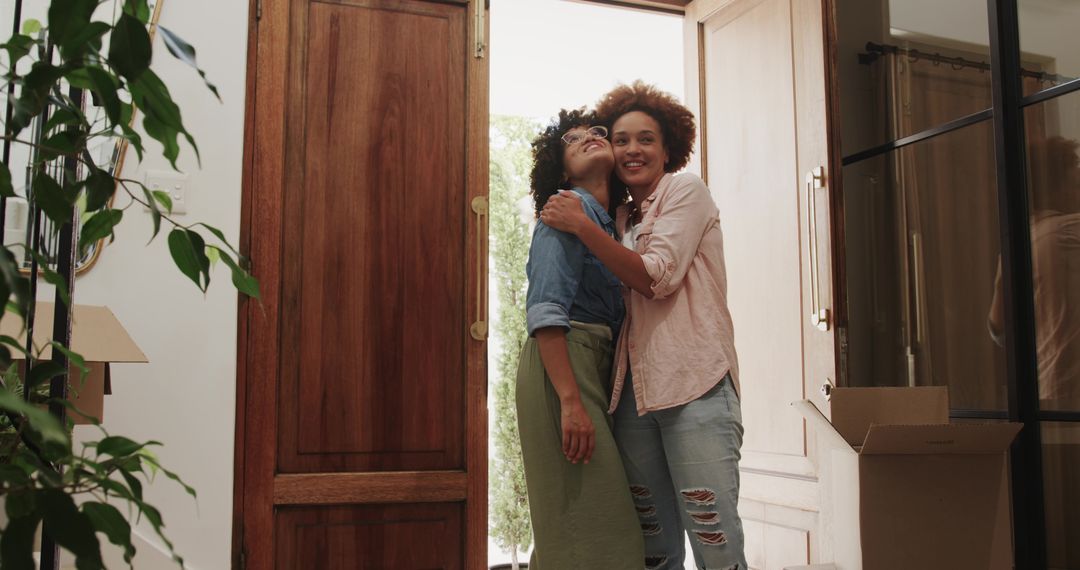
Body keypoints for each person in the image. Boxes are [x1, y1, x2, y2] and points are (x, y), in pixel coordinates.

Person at [541, 82, 747, 570]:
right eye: (622, 139)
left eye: (646, 139)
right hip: (630, 396)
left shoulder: (685, 190)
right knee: (651, 544)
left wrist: (583, 228)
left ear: (667, 148)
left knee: (713, 536)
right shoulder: (615, 218)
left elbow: (658, 277)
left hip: (696, 385)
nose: (633, 149)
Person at [515, 108, 643, 569]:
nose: (589, 136)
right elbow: (546, 310)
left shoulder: (609, 225)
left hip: (585, 362)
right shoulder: (565, 209)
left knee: (576, 525)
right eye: (573, 139)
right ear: (561, 169)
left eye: (595, 131)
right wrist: (570, 400)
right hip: (562, 362)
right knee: (598, 529)